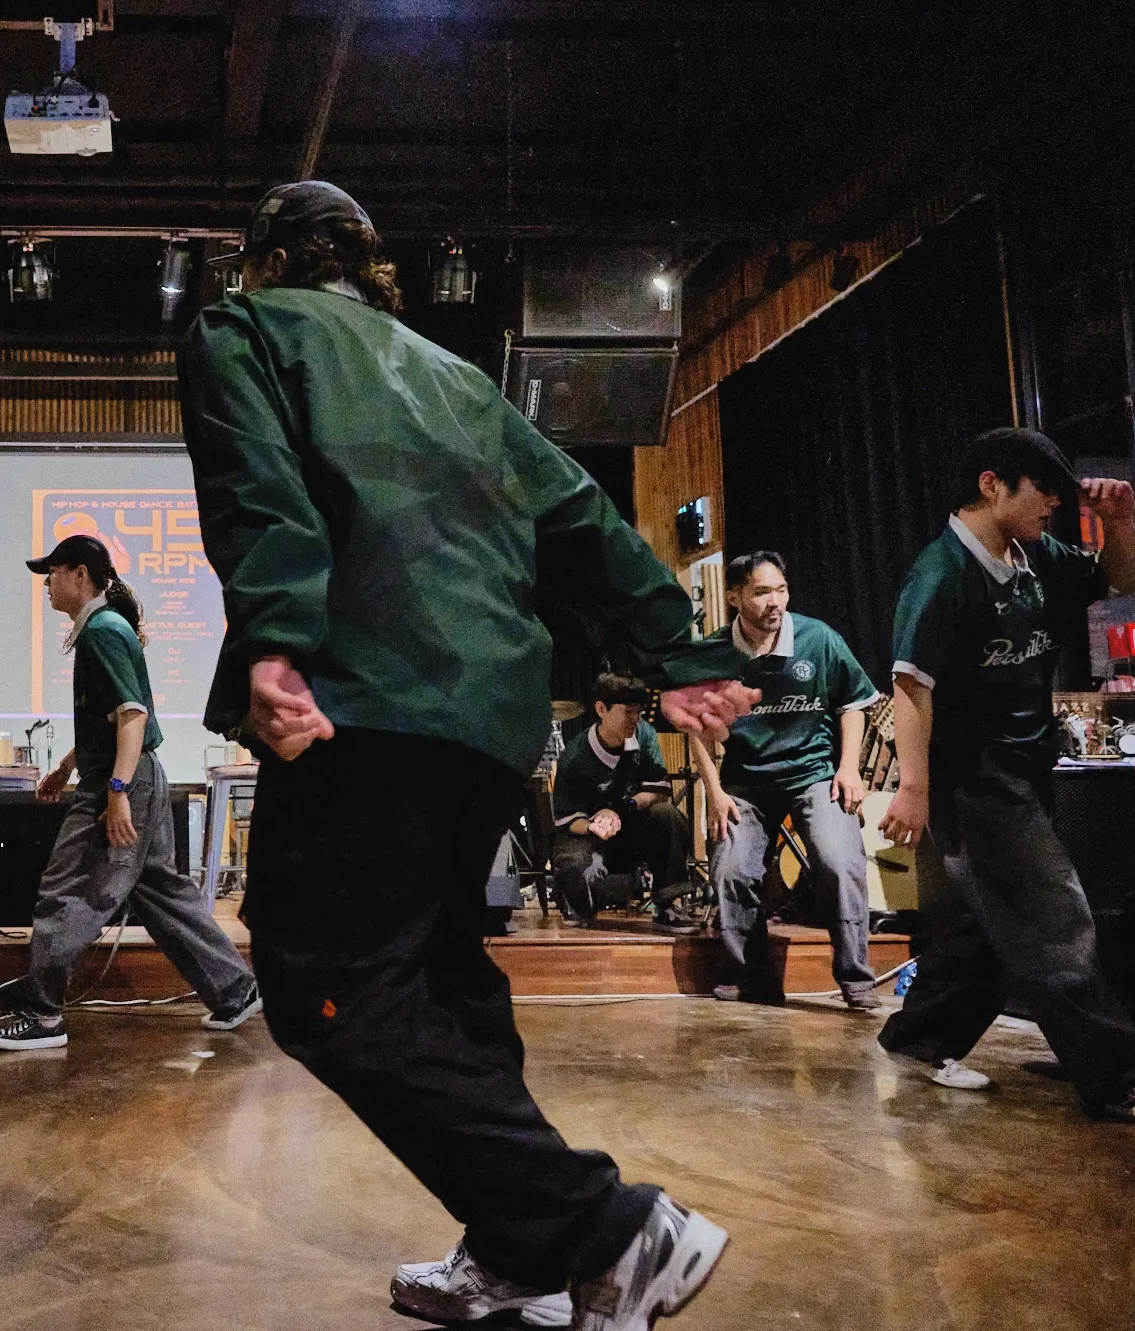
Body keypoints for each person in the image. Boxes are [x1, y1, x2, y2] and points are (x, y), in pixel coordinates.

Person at [179, 179, 759, 1331]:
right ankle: (516, 1251)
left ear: (267, 261)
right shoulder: (455, 377)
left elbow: (259, 493)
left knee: (326, 981)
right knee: (442, 979)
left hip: (365, 700)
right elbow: (583, 520)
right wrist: (676, 650)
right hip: (493, 719)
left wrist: (275, 642)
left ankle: (606, 1225)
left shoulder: (241, 327)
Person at [877, 427, 1135, 1126]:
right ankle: (1121, 1080)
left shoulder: (1032, 557)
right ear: (991, 485)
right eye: (1042, 490)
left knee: (991, 921)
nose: (1053, 505)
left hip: (1026, 764)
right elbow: (911, 685)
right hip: (973, 777)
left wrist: (1121, 522)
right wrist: (912, 787)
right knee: (1053, 917)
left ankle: (920, 1037)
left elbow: (1122, 580)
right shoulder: (941, 573)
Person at [0, 534, 261, 1052]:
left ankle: (43, 1014)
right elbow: (108, 720)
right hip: (137, 775)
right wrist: (67, 766)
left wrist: (115, 791)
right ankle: (234, 988)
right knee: (159, 891)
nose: (47, 584)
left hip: (123, 779)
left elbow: (133, 716)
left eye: (53, 573)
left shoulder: (102, 631)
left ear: (80, 574)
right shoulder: (105, 627)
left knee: (67, 890)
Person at [685, 551, 881, 1008]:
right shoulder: (713, 653)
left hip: (814, 775)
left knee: (838, 862)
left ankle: (856, 979)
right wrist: (714, 792)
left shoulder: (819, 638)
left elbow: (853, 703)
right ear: (734, 597)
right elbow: (695, 729)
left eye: (781, 589)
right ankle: (751, 977)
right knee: (731, 869)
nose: (775, 601)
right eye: (761, 592)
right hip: (745, 784)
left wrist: (848, 767)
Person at [548, 672, 697, 934]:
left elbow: (659, 790)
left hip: (629, 827)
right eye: (628, 712)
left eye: (638, 712)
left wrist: (621, 809)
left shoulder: (644, 734)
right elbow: (567, 819)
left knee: (667, 815)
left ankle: (667, 905)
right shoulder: (575, 756)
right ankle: (579, 900)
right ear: (601, 709)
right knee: (572, 864)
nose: (635, 719)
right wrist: (595, 825)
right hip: (588, 835)